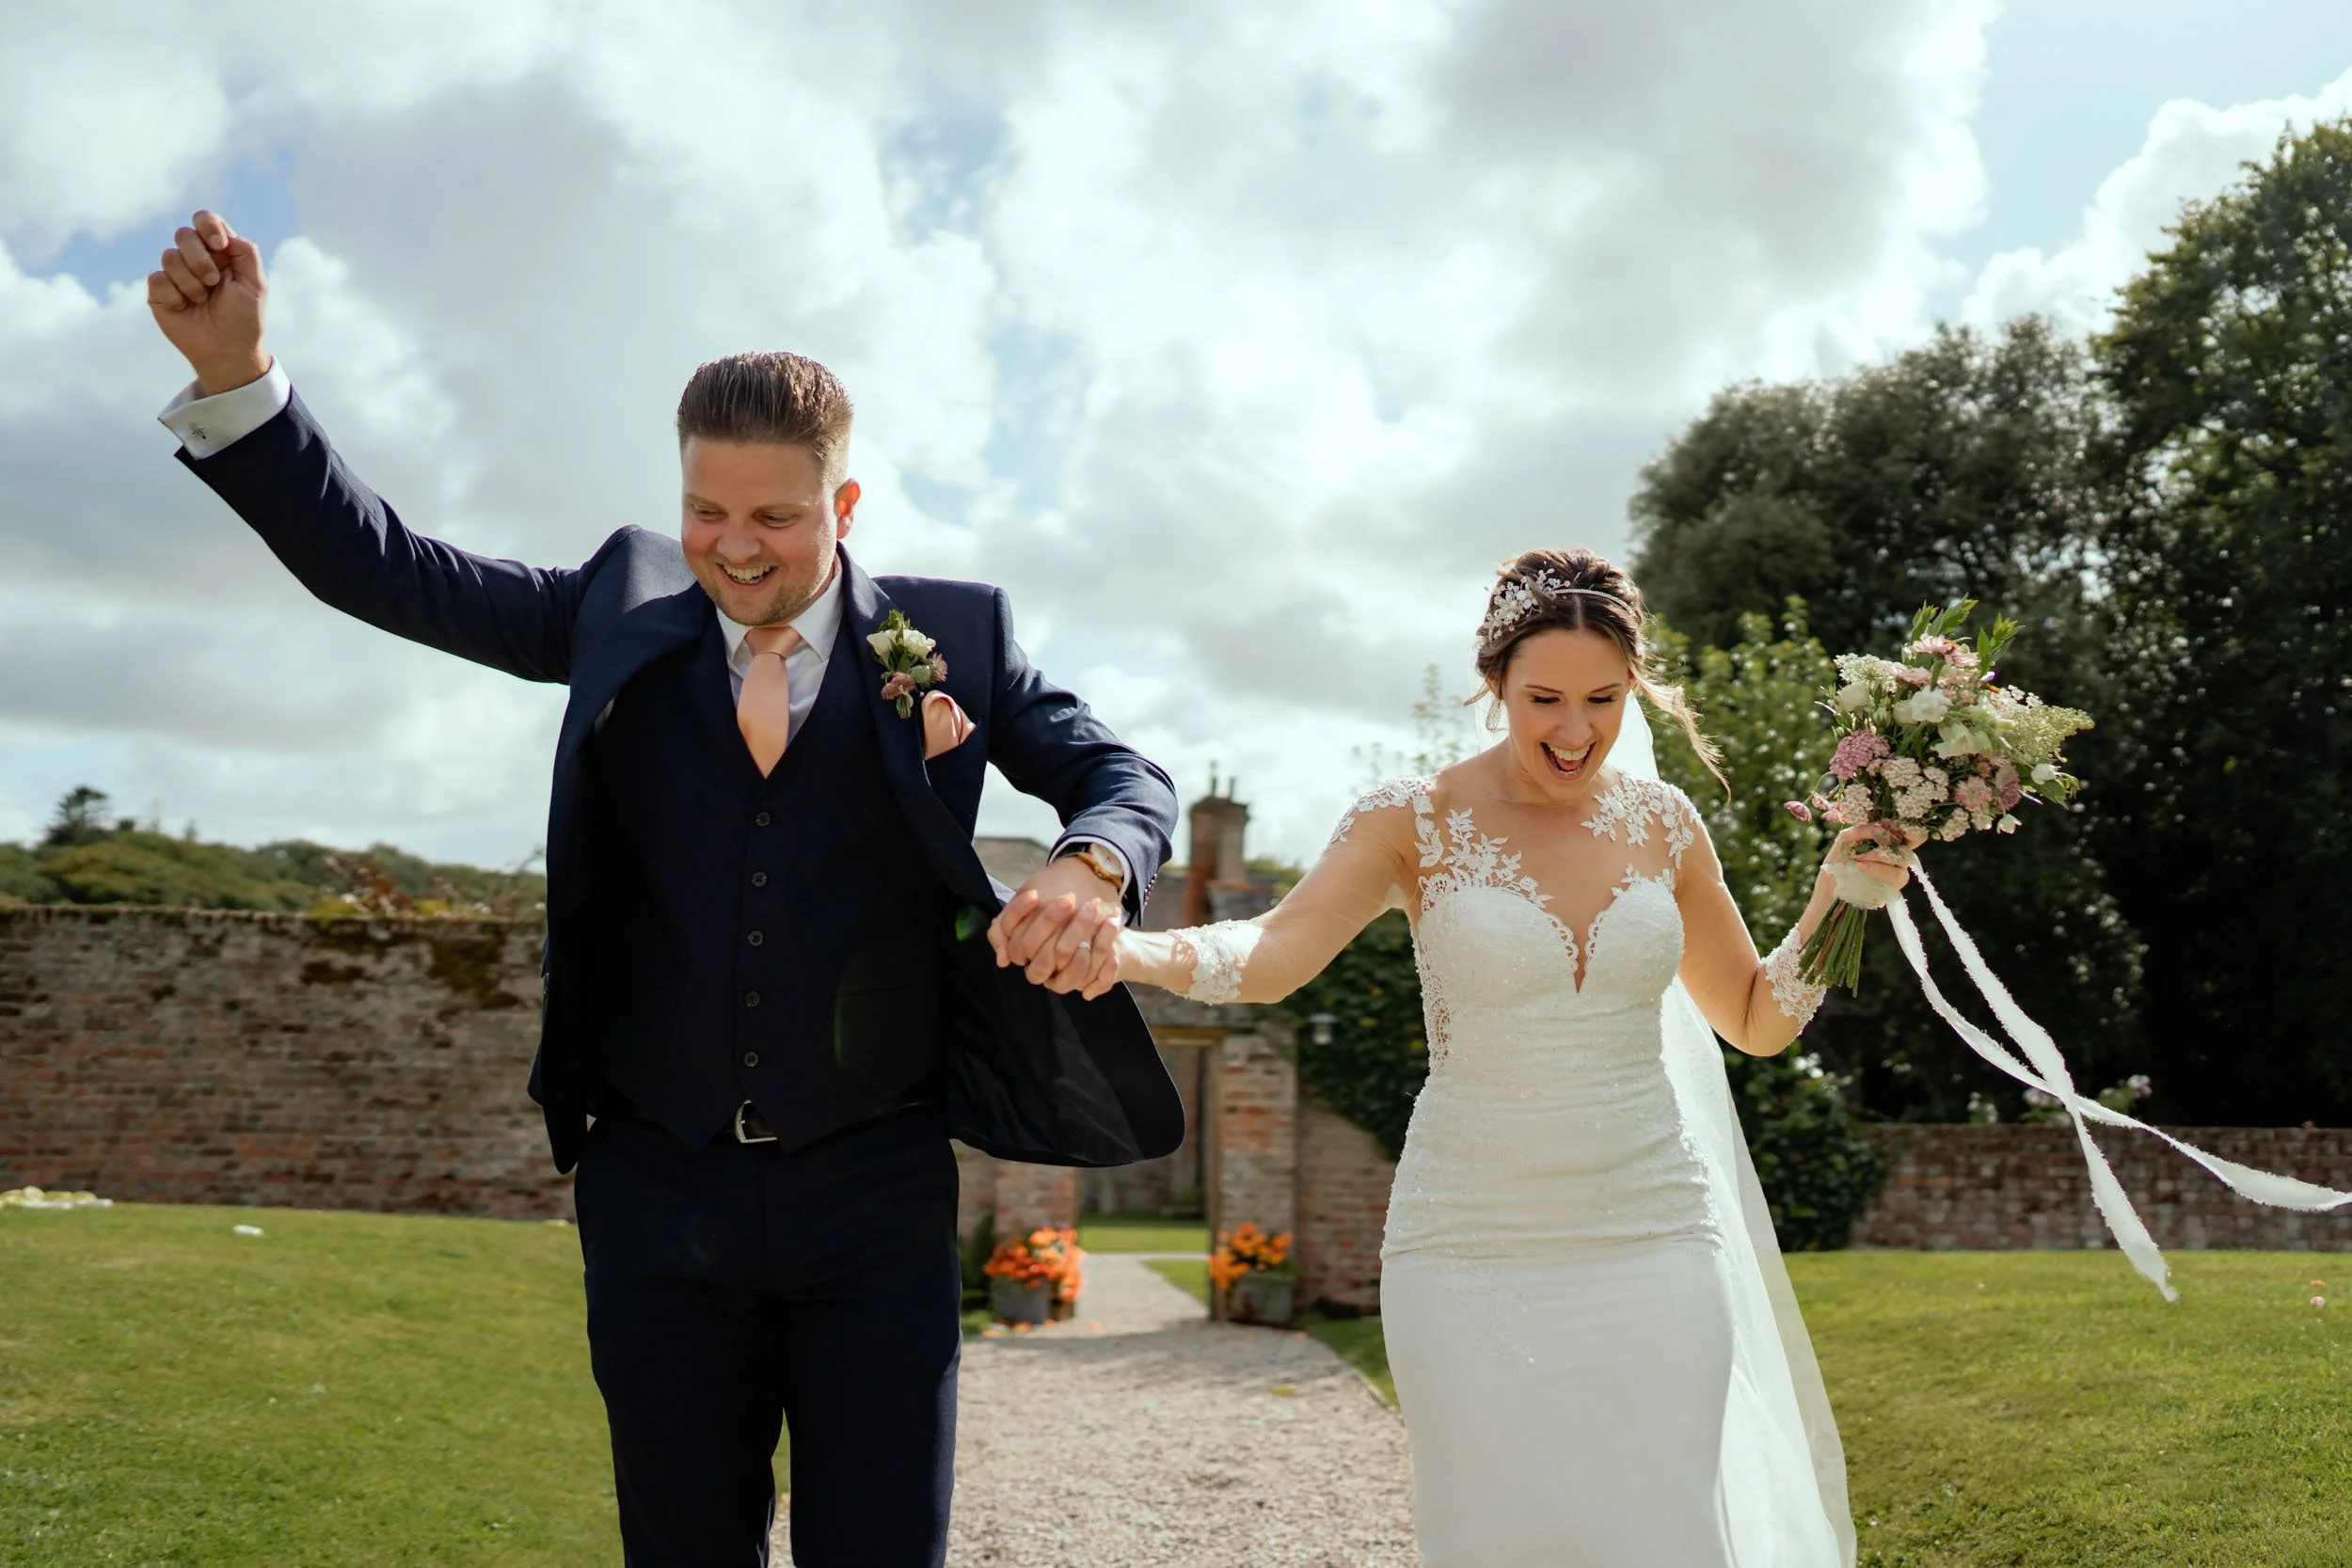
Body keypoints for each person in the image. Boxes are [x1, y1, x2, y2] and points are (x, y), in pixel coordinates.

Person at [144, 210, 1183, 1568]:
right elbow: (385, 567)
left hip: (872, 1190)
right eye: (706, 508)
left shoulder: (953, 637)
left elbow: (1120, 769)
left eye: (773, 514)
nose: (734, 545)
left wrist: (1092, 861)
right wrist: (240, 382)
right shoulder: (614, 605)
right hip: (654, 1189)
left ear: (844, 506)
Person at [1117, 547, 1903, 1566]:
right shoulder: (1413, 818)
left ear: (1636, 690)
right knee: (1491, 1532)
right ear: (1493, 684)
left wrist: (1835, 898)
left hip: (1655, 1235)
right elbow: (1273, 952)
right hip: (1469, 1243)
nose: (1573, 730)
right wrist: (1133, 950)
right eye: (1543, 697)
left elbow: (1753, 1016)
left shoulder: (1665, 824)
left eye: (1603, 698)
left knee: (1665, 1529)